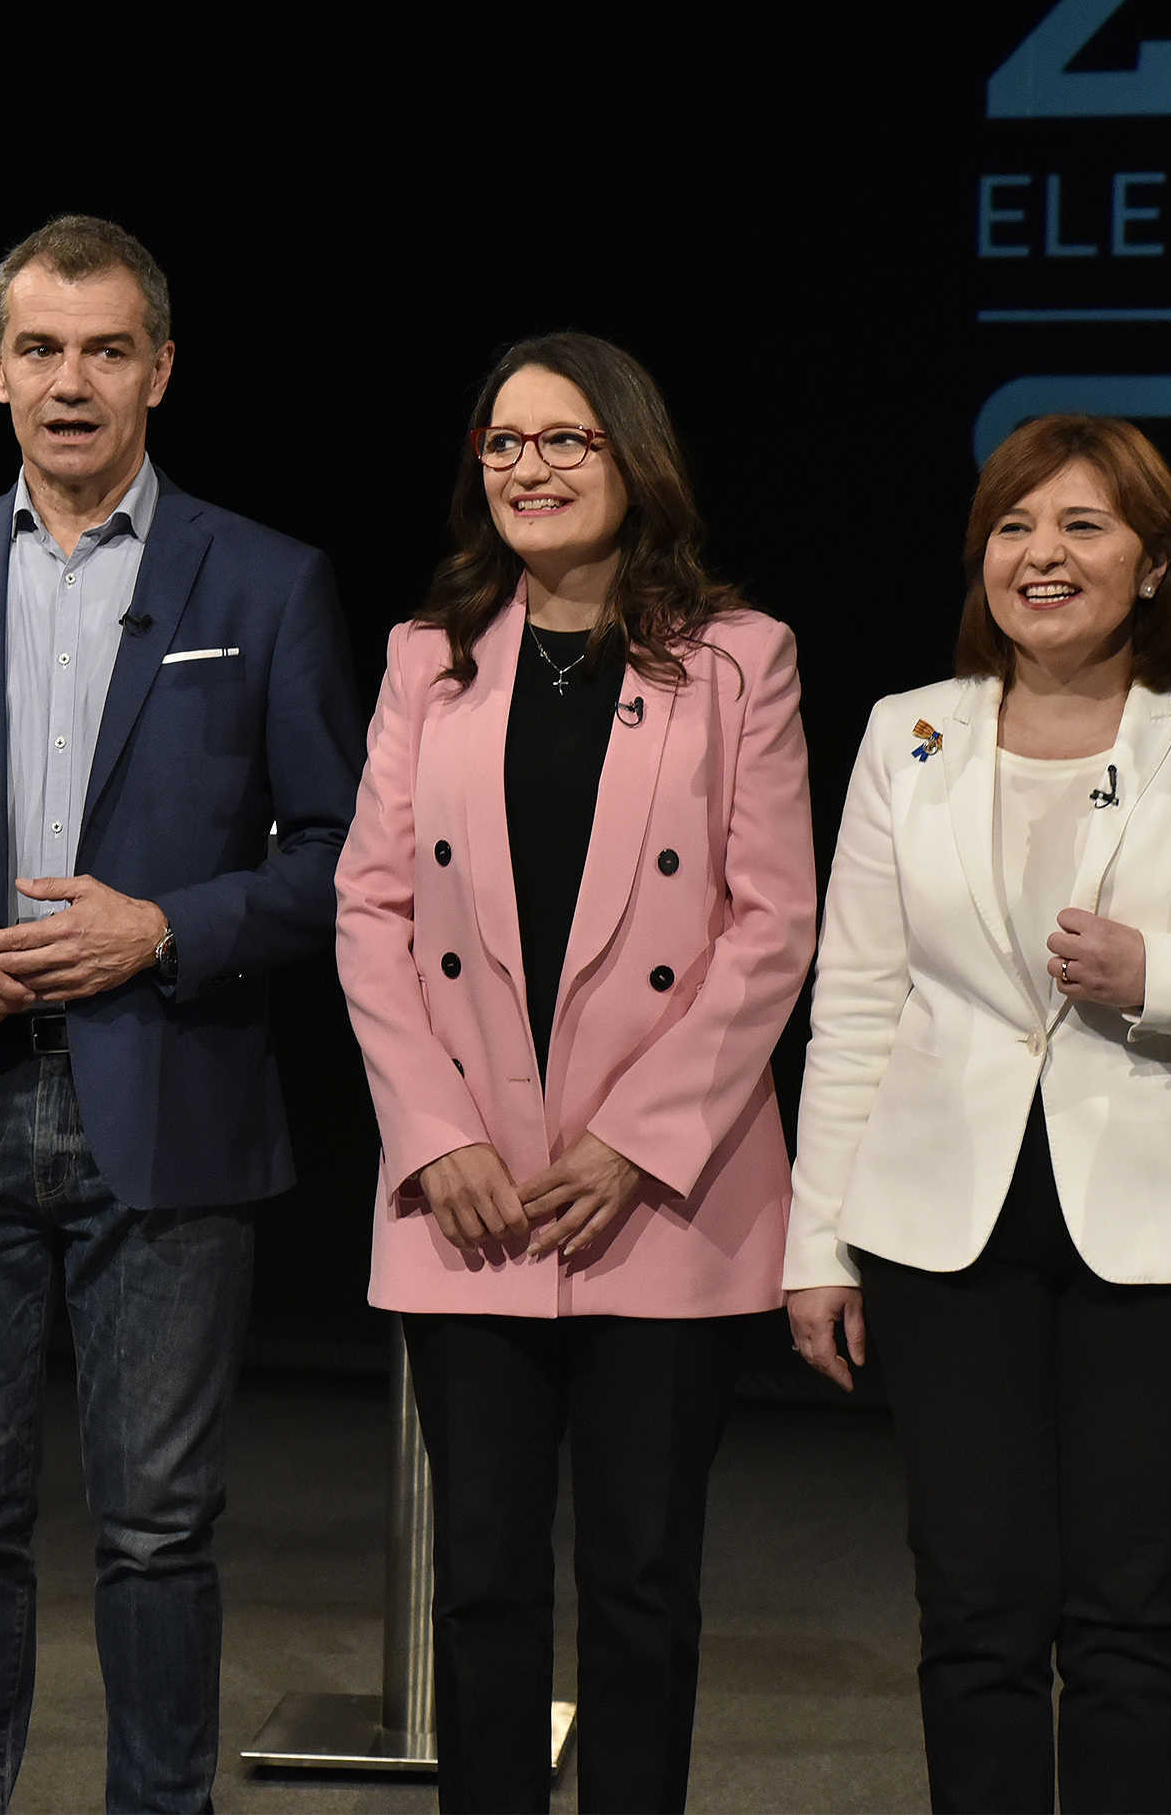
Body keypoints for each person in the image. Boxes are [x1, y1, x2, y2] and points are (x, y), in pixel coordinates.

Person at [0, 213, 364, 1815]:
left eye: (106, 349)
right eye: (40, 349)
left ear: (161, 371)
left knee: (160, 1529)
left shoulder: (264, 580)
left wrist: (168, 931)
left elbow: (345, 857)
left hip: (167, 1106)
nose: (72, 382)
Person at [785, 415, 1171, 1814]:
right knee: (974, 1608)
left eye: (1084, 527)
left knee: (1126, 1610)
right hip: (940, 1223)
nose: (1042, 555)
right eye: (1014, 527)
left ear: (1155, 560)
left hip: (1168, 1233)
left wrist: (1161, 974)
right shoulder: (904, 732)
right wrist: (817, 1241)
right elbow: (854, 996)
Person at [335, 332, 815, 1814]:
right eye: (504, 444)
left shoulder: (742, 657)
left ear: (632, 459)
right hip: (467, 1193)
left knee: (640, 1584)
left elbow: (770, 921)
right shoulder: (435, 655)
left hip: (658, 1202)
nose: (529, 468)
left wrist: (638, 1144)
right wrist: (434, 1136)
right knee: (479, 1586)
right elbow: (371, 907)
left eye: (564, 441)